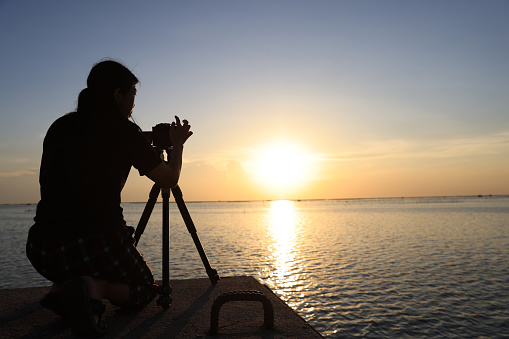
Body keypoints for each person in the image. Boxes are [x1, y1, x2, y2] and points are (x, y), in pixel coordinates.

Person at [26, 59, 192, 336]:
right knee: (143, 289)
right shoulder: (124, 132)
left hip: (43, 249)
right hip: (96, 243)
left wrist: (145, 139)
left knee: (79, 266)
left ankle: (61, 290)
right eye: (133, 96)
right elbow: (169, 179)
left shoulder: (60, 126)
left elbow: (98, 142)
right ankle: (94, 289)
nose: (134, 105)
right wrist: (177, 147)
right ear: (118, 94)